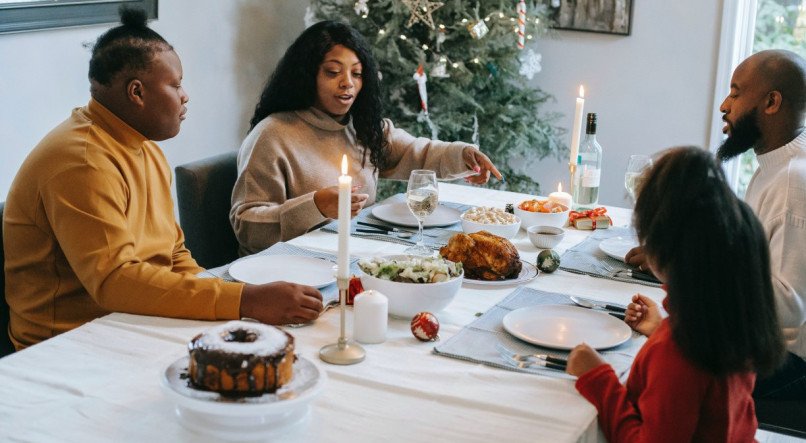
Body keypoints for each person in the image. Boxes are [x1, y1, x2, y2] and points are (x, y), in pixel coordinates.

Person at [3, 8, 322, 350]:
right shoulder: (81, 162)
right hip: (66, 343)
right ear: (136, 92)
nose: (185, 95)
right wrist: (245, 300)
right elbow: (116, 281)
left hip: (130, 318)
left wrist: (222, 305)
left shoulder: (142, 146)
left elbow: (173, 253)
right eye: (176, 84)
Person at [567, 147, 785, 441]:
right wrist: (660, 328)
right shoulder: (733, 319)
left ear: (663, 250)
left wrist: (598, 378)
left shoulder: (677, 352)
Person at [230, 20, 502, 255]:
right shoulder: (272, 135)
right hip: (287, 271)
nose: (347, 82)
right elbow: (247, 227)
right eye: (333, 72)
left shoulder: (363, 127)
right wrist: (315, 206)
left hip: (355, 256)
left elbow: (416, 152)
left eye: (356, 73)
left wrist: (464, 154)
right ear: (306, 75)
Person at [626, 49, 806, 399]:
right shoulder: (774, 166)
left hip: (782, 366)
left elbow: (788, 307)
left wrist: (682, 264)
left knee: (644, 371)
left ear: (771, 102)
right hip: (756, 343)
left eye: (736, 93)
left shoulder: (793, 181)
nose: (724, 105)